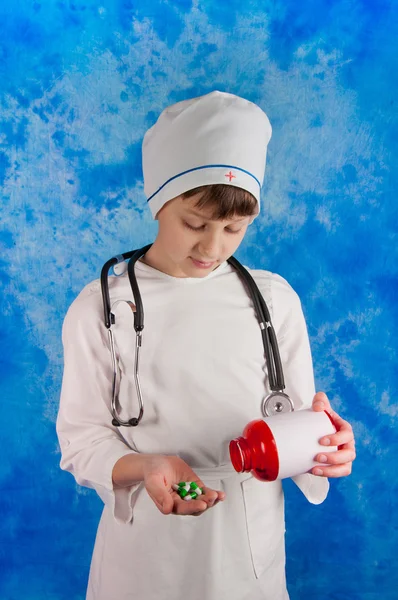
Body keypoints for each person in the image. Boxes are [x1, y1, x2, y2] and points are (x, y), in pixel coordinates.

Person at [56, 91, 356, 600]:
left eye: (234, 228)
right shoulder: (100, 308)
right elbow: (82, 442)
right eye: (194, 224)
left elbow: (299, 428)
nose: (212, 247)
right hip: (147, 549)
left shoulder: (273, 301)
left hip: (248, 546)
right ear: (159, 203)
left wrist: (326, 446)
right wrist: (147, 465)